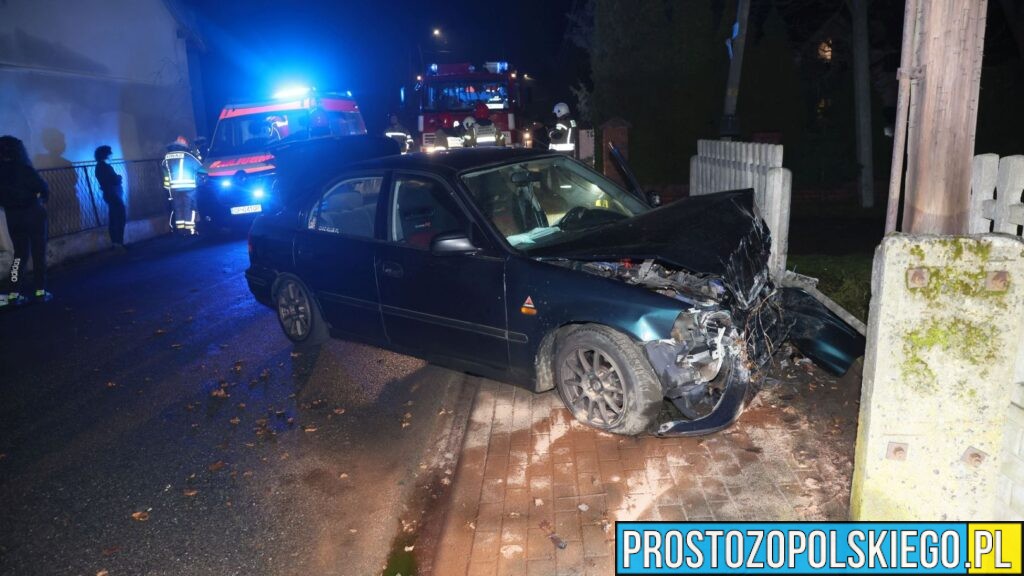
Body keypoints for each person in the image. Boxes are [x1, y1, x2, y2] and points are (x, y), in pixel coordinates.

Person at [0, 135, 51, 306]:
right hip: (33, 213)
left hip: (13, 217)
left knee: (19, 256)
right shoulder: (25, 169)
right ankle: (40, 291)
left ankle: (13, 293)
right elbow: (43, 188)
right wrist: (41, 199)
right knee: (38, 253)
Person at [94, 145, 127, 249]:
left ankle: (116, 243)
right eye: (110, 152)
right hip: (113, 194)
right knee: (119, 218)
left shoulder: (99, 167)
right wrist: (119, 177)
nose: (112, 154)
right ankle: (118, 243)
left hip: (110, 194)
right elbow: (114, 180)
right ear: (106, 154)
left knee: (114, 218)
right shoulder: (105, 167)